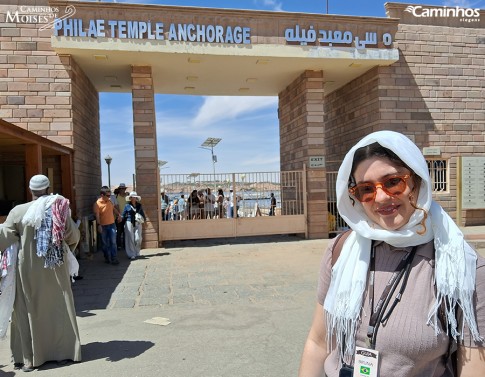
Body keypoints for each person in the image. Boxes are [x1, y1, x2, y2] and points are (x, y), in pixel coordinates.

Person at [299, 131, 484, 377]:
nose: (382, 197)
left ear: (417, 180)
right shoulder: (341, 250)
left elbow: (473, 364)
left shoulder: (460, 264)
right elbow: (319, 343)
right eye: (366, 189)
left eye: (393, 182)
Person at [0, 174, 82, 371]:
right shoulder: (59, 207)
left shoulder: (17, 212)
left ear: (30, 189)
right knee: (59, 306)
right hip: (55, 266)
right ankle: (63, 353)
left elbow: (4, 239)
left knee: (26, 310)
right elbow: (72, 236)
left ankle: (28, 359)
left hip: (26, 269)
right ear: (48, 188)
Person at [93, 186, 122, 265]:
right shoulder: (97, 204)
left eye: (110, 195)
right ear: (102, 195)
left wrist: (119, 215)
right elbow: (97, 216)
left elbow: (113, 209)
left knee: (113, 242)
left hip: (112, 224)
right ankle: (106, 256)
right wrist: (99, 225)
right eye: (108, 195)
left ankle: (114, 258)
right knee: (105, 244)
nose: (109, 197)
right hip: (103, 226)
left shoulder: (109, 201)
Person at [122, 191, 145, 260]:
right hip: (129, 221)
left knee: (138, 238)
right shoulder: (127, 206)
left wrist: (145, 221)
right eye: (132, 197)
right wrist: (121, 219)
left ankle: (137, 251)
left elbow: (142, 214)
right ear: (130, 198)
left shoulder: (139, 205)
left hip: (138, 222)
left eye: (134, 197)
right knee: (130, 238)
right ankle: (131, 254)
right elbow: (124, 214)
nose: (133, 198)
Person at [114, 183, 127, 251]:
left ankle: (125, 245)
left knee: (126, 231)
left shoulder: (127, 197)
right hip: (119, 216)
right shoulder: (116, 197)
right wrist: (118, 215)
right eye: (121, 189)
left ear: (125, 189)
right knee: (118, 231)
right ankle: (119, 245)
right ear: (119, 189)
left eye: (123, 188)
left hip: (126, 217)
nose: (122, 190)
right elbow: (115, 207)